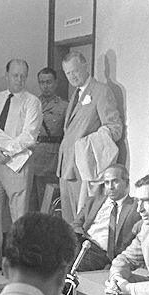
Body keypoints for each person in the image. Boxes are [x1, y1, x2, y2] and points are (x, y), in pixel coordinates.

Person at [0, 59, 42, 273]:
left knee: (19, 216)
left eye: (23, 75)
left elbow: (30, 134)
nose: (19, 79)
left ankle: (18, 262)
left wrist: (7, 151)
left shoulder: (32, 102)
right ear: (7, 75)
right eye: (15, 75)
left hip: (17, 164)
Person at [58, 51, 122, 223]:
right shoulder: (76, 94)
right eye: (68, 73)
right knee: (68, 223)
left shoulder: (101, 91)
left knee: (82, 222)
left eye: (75, 70)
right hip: (66, 167)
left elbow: (114, 128)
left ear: (86, 66)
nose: (72, 76)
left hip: (83, 169)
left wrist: (86, 145)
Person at [72, 164, 139, 271]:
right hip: (81, 243)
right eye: (107, 182)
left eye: (115, 181)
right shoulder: (93, 201)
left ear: (126, 183)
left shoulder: (136, 206)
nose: (110, 187)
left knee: (65, 267)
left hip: (100, 253)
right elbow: (76, 224)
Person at [28, 67, 68, 212]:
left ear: (56, 83)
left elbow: (67, 134)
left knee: (47, 202)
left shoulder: (64, 106)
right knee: (30, 203)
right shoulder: (31, 103)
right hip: (31, 157)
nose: (45, 86)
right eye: (42, 82)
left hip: (51, 159)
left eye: (49, 82)